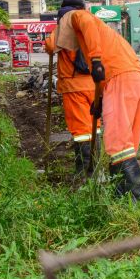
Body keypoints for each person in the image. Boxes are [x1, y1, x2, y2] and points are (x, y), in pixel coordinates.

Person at [56, 0, 140, 200]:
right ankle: (121, 195)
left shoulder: (77, 16)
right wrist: (98, 103)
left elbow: (85, 21)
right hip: (136, 77)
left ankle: (138, 198)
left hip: (120, 78)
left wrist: (96, 60)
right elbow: (100, 79)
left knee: (117, 141)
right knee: (127, 142)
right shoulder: (102, 33)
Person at [45, 27, 99, 175]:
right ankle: (96, 167)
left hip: (74, 87)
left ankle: (84, 172)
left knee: (81, 130)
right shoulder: (91, 28)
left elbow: (50, 47)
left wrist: (58, 28)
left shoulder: (64, 29)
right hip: (95, 85)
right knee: (94, 126)